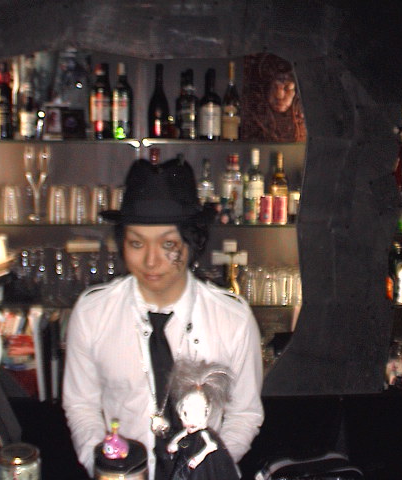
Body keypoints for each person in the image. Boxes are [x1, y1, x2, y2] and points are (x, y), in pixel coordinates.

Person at [62, 157, 264, 480]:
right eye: (136, 243)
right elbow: (81, 405)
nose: (151, 260)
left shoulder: (233, 319)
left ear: (191, 243)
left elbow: (244, 413)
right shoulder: (92, 314)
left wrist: (209, 468)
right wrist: (106, 468)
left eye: (168, 244)